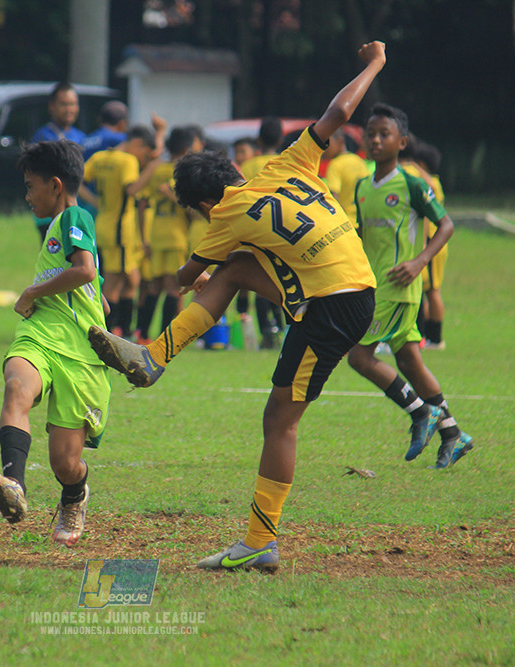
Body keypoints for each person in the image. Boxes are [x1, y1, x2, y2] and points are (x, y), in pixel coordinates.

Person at [87, 42, 387, 572]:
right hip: (352, 285)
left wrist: (192, 275)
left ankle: (259, 542)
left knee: (280, 421)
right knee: (237, 271)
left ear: (204, 204)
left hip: (332, 306)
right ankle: (153, 358)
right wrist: (374, 63)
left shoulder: (224, 214)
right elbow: (339, 113)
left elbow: (183, 275)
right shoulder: (284, 164)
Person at [0, 140, 110, 547]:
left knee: (65, 464)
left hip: (79, 355)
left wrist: (31, 293)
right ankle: (13, 483)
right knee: (16, 386)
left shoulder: (75, 215)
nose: (27, 196)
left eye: (31, 186)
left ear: (55, 184)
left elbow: (84, 271)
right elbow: (92, 281)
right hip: (41, 336)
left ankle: (75, 493)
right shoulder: (62, 226)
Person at [347, 104, 473, 469]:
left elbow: (446, 225)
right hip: (373, 284)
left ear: (401, 142)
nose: (375, 140)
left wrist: (419, 263)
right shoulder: (362, 187)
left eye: (384, 134)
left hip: (398, 286)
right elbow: (364, 235)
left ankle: (420, 413)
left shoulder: (413, 185)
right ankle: (453, 435)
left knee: (359, 356)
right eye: (370, 133)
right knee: (409, 361)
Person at [80, 123, 164, 338]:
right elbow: (132, 189)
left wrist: (95, 201)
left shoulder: (100, 158)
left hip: (103, 225)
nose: (144, 159)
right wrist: (152, 168)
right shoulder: (127, 161)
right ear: (136, 144)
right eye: (145, 154)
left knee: (131, 280)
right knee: (114, 282)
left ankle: (122, 330)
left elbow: (78, 180)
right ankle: (108, 333)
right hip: (119, 230)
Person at [134, 127, 205, 341]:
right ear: (185, 149)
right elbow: (193, 212)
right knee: (173, 287)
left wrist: (142, 236)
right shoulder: (183, 172)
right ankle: (164, 338)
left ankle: (143, 333)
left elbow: (141, 203)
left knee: (155, 285)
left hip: (156, 234)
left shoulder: (157, 171)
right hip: (176, 237)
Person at [238, 117, 287, 349]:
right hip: (283, 229)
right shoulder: (285, 162)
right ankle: (283, 328)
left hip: (255, 229)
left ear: (258, 140)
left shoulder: (248, 165)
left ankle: (266, 331)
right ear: (280, 139)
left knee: (259, 280)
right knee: (281, 280)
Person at [400, 138, 449, 349]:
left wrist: (412, 167)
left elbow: (427, 186)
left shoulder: (432, 183)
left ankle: (435, 338)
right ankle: (427, 337)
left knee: (433, 291)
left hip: (433, 242)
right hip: (427, 241)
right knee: (425, 290)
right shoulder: (429, 179)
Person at [31, 82, 88, 240]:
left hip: (75, 213)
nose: (69, 109)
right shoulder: (44, 137)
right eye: (64, 104)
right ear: (52, 106)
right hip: (51, 214)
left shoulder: (81, 137)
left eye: (73, 104)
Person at [325, 129, 371, 223]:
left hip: (347, 223)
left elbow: (333, 201)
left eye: (327, 142)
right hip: (364, 221)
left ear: (340, 141)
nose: (324, 148)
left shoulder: (335, 165)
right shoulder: (359, 160)